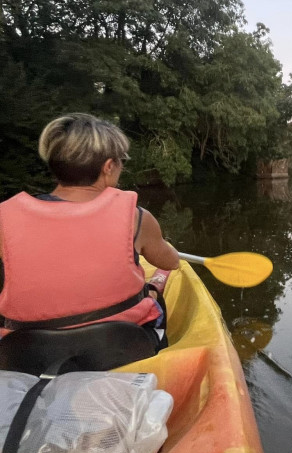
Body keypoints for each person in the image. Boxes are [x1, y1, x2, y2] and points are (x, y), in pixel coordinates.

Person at [0, 113, 180, 350]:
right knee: (155, 298)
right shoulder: (137, 218)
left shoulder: (5, 216)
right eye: (121, 160)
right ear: (108, 167)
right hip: (120, 347)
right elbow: (171, 262)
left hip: (25, 352)